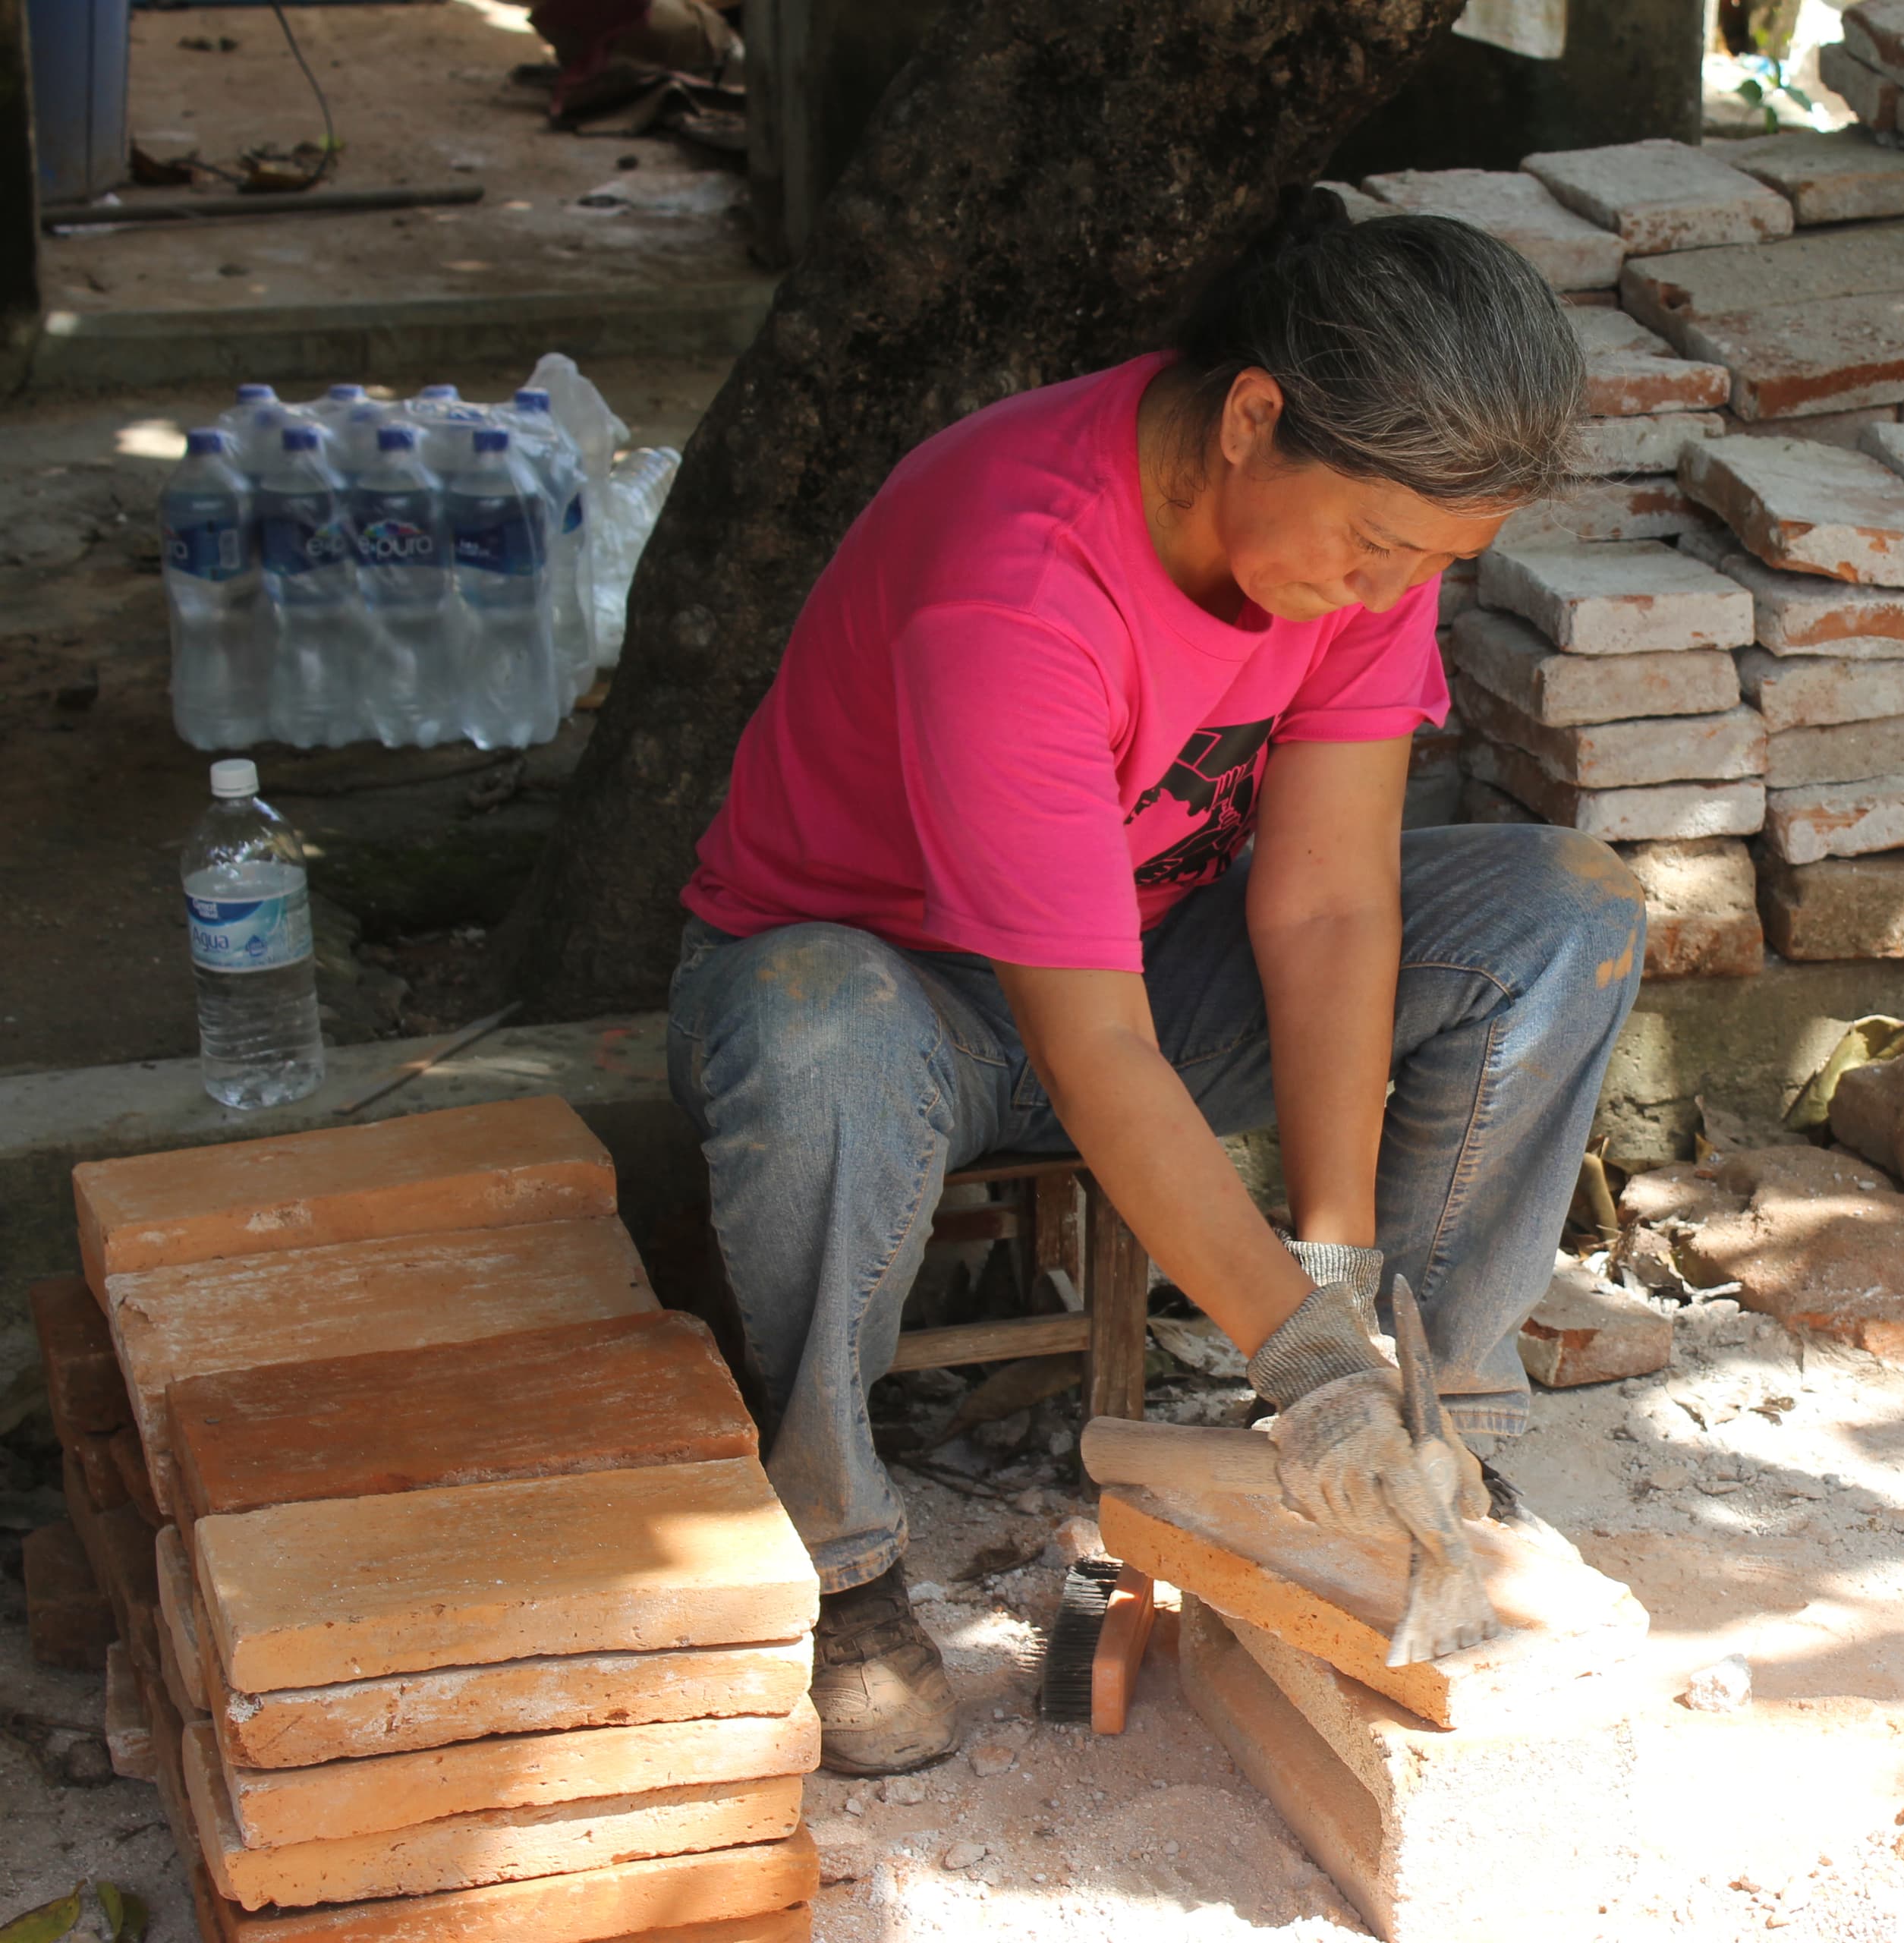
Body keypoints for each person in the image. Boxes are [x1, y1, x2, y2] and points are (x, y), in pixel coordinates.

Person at [665, 197, 1649, 1774]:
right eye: (1379, 547)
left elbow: (1328, 905)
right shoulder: (1017, 572)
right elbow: (1090, 1042)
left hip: (1145, 950)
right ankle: (839, 1559)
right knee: (814, 1031)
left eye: (1429, 565)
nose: (1389, 587)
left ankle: (1427, 1428)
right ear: (1255, 417)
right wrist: (1287, 1356)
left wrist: (1328, 1293)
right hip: (896, 990)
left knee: (1563, 912)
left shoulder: (1350, 548)